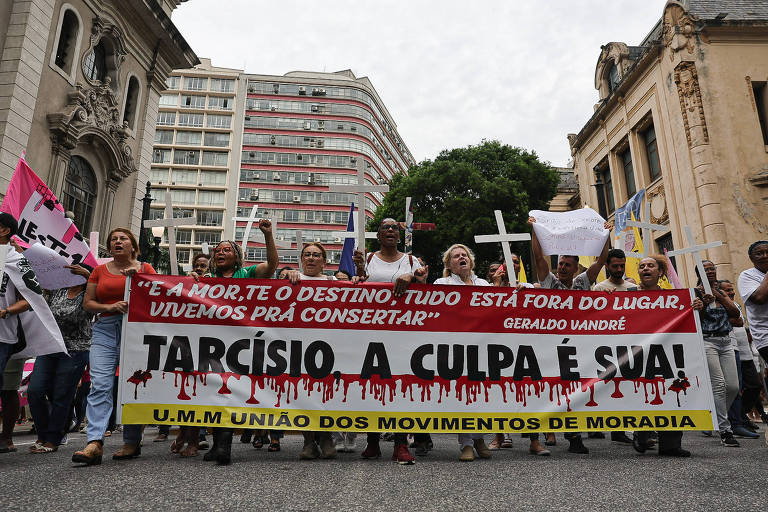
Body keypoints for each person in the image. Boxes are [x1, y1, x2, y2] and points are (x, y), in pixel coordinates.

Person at [72, 228, 157, 466]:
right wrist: (109, 308)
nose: (117, 242)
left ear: (133, 246)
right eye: (113, 240)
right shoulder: (99, 270)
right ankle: (94, 441)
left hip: (136, 331)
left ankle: (131, 440)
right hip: (105, 330)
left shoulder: (145, 269)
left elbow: (158, 296)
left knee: (133, 383)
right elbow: (89, 303)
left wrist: (138, 279)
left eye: (123, 239)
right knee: (100, 384)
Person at [529, 215, 610, 454]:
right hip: (550, 344)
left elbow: (601, 260)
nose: (562, 267)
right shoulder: (549, 282)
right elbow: (538, 258)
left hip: (577, 346)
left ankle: (574, 437)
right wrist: (535, 230)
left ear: (576, 268)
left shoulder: (582, 283)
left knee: (575, 390)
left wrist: (605, 235)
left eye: (567, 265)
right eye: (561, 263)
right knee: (549, 388)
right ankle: (541, 433)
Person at [353, 218, 428, 465]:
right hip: (371, 333)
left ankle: (400, 444)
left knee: (400, 386)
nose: (390, 230)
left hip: (403, 335)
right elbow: (357, 288)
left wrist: (411, 276)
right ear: (378, 234)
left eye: (394, 228)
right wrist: (357, 275)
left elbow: (423, 286)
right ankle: (372, 442)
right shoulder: (368, 259)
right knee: (372, 385)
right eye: (385, 227)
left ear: (399, 234)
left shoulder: (410, 261)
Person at [202, 219, 278, 465]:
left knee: (228, 389)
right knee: (214, 391)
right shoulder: (205, 278)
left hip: (240, 343)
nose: (220, 253)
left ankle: (224, 446)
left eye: (226, 250)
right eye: (218, 250)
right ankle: (217, 445)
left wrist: (267, 235)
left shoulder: (248, 274)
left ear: (237, 257)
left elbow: (272, 266)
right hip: (212, 343)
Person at [632, 256, 699, 457]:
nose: (646, 269)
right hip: (638, 352)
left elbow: (691, 324)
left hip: (667, 353)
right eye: (642, 266)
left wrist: (695, 308)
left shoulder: (675, 298)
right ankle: (641, 435)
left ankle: (670, 444)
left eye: (650, 266)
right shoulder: (628, 296)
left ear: (660, 272)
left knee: (670, 392)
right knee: (643, 391)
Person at [27, 263, 94, 453]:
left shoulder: (89, 293)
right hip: (49, 347)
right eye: (70, 272)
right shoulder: (57, 291)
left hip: (75, 350)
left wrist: (89, 277)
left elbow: (99, 297)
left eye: (77, 272)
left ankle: (53, 438)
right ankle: (43, 432)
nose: (72, 275)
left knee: (61, 395)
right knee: (35, 390)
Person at [286, 242, 341, 459]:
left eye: (316, 255)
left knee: (326, 394)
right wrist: (286, 274)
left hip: (328, 345)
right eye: (307, 254)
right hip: (299, 345)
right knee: (304, 393)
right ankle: (308, 441)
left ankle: (326, 437)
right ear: (301, 259)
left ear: (324, 261)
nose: (311, 258)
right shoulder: (291, 279)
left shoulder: (334, 282)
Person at [591, 248, 635, 445]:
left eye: (622, 265)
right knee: (608, 385)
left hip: (629, 343)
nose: (619, 269)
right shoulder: (599, 288)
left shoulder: (632, 288)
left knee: (625, 384)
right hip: (606, 345)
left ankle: (621, 429)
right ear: (607, 266)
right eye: (615, 266)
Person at [695, 260, 741, 447]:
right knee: (719, 385)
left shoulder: (721, 291)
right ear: (698, 273)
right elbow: (697, 319)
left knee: (733, 386)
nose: (710, 271)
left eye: (712, 268)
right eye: (705, 269)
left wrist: (718, 296)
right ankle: (725, 430)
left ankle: (713, 415)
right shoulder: (696, 292)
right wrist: (704, 305)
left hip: (726, 341)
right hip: (708, 341)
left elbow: (736, 314)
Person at [720, 280, 761, 439]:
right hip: (728, 348)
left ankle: (740, 416)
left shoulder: (734, 305)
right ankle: (735, 421)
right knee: (733, 387)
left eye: (731, 290)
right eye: (727, 290)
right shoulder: (720, 303)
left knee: (753, 386)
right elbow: (735, 321)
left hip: (745, 353)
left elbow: (738, 321)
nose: (730, 292)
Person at [738, 241, 768, 367]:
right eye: (759, 253)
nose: (765, 256)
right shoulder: (747, 276)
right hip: (765, 337)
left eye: (767, 252)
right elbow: (759, 298)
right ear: (751, 258)